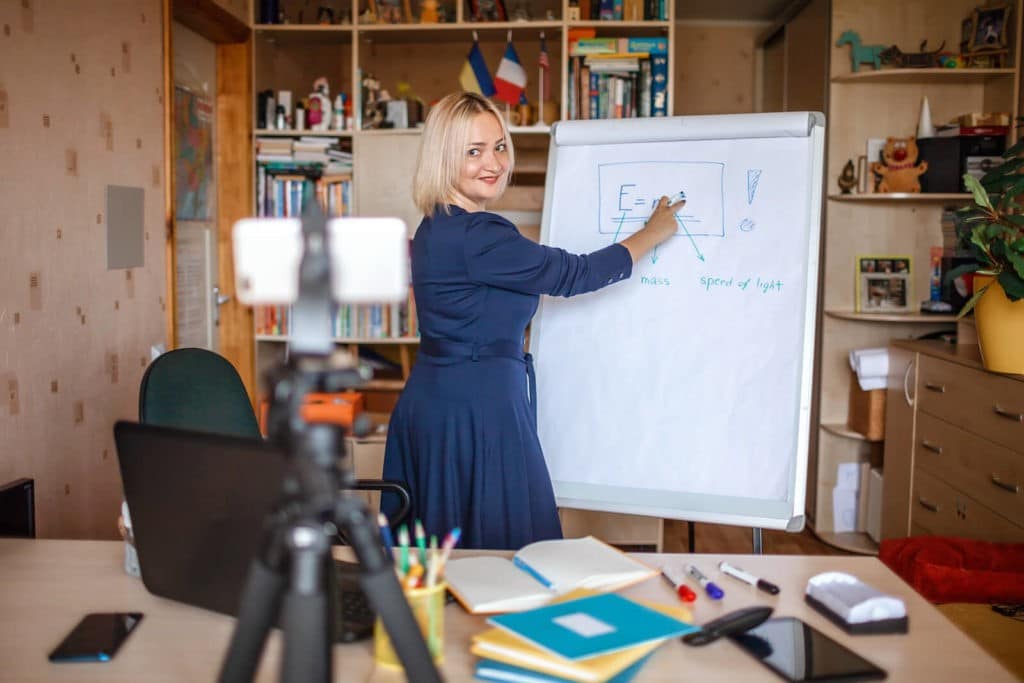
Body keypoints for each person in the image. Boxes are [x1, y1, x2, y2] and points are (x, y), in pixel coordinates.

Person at [382, 92, 684, 549]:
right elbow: (575, 273)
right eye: (474, 151)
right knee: (501, 551)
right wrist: (653, 233)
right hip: (478, 408)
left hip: (439, 401)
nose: (494, 162)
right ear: (445, 158)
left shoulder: (434, 227)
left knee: (452, 550)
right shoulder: (479, 237)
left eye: (500, 146)